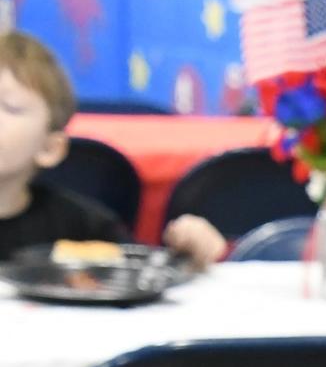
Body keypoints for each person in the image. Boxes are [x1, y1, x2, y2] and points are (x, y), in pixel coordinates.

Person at [0, 30, 225, 264]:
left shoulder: (84, 227)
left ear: (49, 148)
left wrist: (188, 252)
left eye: (10, 107)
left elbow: (139, 274)